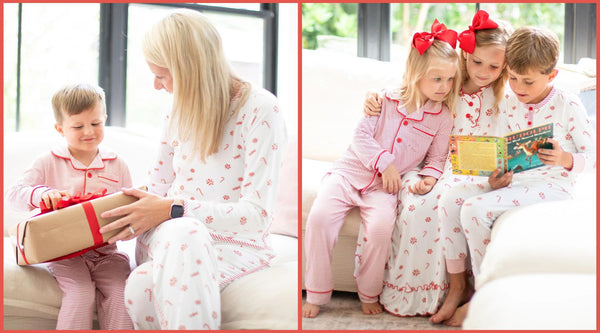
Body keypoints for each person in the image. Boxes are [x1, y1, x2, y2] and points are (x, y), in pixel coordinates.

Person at [97, 9, 287, 329]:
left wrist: (177, 208)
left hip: (235, 246)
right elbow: (157, 188)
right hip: (169, 238)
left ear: (189, 69)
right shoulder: (175, 110)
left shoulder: (261, 110)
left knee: (141, 288)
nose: (157, 87)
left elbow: (257, 217)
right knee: (185, 229)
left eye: (162, 75)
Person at [435, 26, 596, 326]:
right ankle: (458, 286)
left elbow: (594, 158)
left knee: (473, 209)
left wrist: (566, 158)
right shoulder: (509, 102)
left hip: (553, 185)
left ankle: (481, 293)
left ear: (551, 76)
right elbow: (503, 150)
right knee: (451, 198)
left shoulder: (567, 105)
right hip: (514, 182)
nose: (518, 87)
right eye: (512, 77)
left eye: (528, 81)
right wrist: (497, 176)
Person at [302, 20, 460, 319]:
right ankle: (317, 291)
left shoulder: (442, 118)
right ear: (415, 75)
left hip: (385, 189)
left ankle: (368, 293)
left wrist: (428, 178)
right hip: (348, 174)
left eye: (450, 80)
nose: (445, 87)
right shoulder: (384, 99)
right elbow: (360, 137)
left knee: (379, 229)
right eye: (437, 79)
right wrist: (384, 162)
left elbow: (437, 158)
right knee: (320, 219)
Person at [362, 10, 512, 319]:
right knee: (417, 203)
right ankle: (426, 294)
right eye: (476, 62)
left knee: (452, 200)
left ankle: (464, 288)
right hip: (443, 166)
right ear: (463, 57)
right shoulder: (447, 83)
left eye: (493, 66)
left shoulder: (505, 96)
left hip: (484, 169)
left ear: (505, 66)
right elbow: (407, 88)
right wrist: (372, 96)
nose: (483, 72)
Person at [5, 83, 133, 330]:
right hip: (63, 254)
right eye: (78, 126)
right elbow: (12, 195)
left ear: (104, 119)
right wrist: (42, 194)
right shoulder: (47, 161)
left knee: (119, 294)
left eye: (96, 123)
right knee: (80, 293)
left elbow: (130, 208)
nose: (89, 132)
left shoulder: (118, 164)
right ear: (60, 129)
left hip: (107, 253)